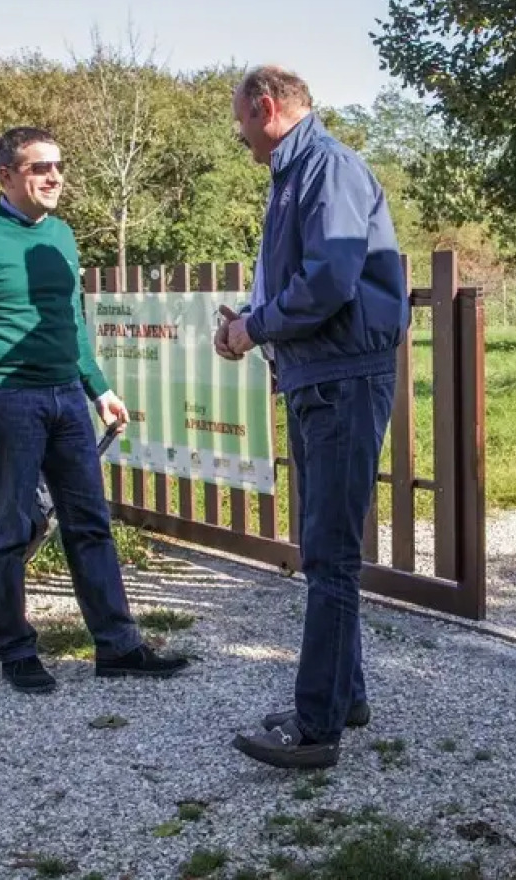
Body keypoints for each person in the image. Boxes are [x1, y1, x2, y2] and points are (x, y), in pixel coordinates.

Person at [0, 126, 187, 694]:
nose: (54, 176)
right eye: (39, 167)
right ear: (6, 176)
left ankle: (118, 646)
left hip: (68, 398)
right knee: (9, 530)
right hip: (7, 400)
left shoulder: (60, 237)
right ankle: (16, 650)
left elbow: (70, 323)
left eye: (58, 166)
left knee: (91, 525)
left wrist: (99, 388)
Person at [216, 66, 408, 769]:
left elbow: (328, 280)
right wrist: (250, 324)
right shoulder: (299, 174)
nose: (238, 134)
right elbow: (306, 276)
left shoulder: (325, 168)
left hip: (339, 378)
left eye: (241, 119)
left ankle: (316, 726)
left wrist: (255, 327)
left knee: (328, 557)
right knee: (323, 547)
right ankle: (343, 696)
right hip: (318, 375)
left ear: (266, 107)